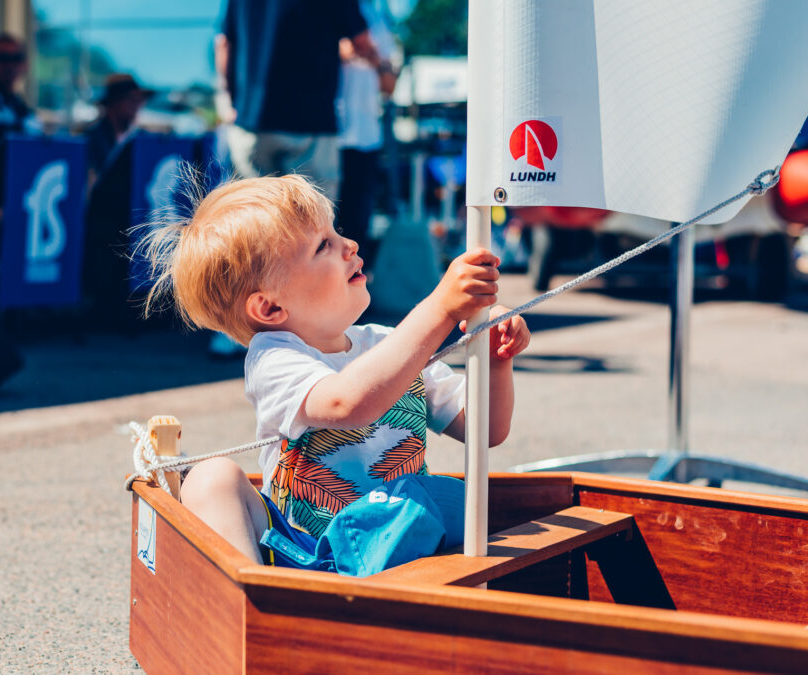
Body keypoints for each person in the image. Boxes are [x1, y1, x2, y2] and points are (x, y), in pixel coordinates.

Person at [143, 175, 529, 565]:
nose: (350, 245)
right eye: (323, 245)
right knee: (211, 478)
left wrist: (496, 360)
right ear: (270, 308)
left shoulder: (388, 344)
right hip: (305, 554)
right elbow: (347, 402)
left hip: (403, 536)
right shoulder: (273, 358)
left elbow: (486, 430)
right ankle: (252, 595)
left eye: (336, 231)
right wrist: (440, 308)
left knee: (444, 498)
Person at [215, 0, 396, 200]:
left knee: (255, 212)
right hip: (311, 125)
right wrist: (379, 61)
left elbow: (224, 43)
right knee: (312, 213)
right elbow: (360, 41)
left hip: (251, 120)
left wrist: (229, 101)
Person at [335, 1, 399, 275]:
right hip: (329, 133)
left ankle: (353, 284)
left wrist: (371, 56)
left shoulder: (379, 22)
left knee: (358, 220)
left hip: (366, 136)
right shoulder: (327, 11)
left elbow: (390, 85)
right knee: (324, 220)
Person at [86, 73, 153, 181]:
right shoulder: (90, 139)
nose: (137, 104)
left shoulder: (141, 138)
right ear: (114, 102)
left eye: (140, 99)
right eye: (132, 99)